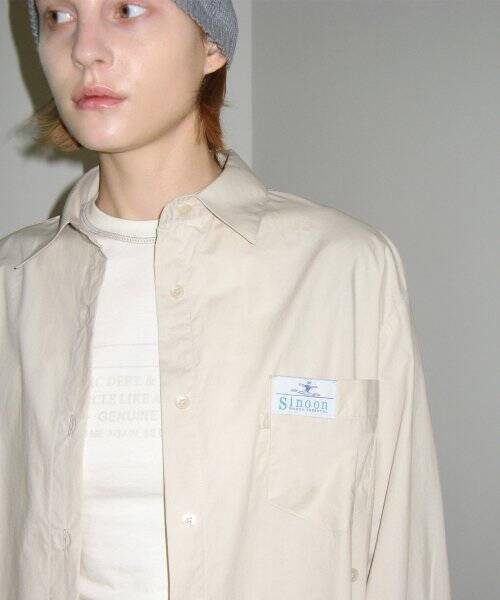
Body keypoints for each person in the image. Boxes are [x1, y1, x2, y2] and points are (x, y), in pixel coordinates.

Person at [0, 1, 452, 598]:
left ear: (211, 44)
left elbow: (403, 547)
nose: (84, 50)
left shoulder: (341, 269)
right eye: (59, 16)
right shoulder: (14, 282)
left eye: (127, 10)